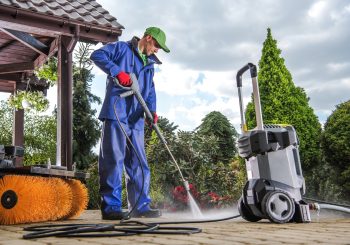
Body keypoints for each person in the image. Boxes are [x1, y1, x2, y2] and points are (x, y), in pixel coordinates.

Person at [90, 27, 170, 220]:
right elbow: (97, 55)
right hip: (117, 112)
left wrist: (152, 111)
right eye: (156, 45)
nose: (157, 50)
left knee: (139, 163)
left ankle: (141, 206)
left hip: (136, 118)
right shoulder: (121, 49)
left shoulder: (149, 64)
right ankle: (111, 208)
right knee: (113, 160)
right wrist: (117, 72)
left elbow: (150, 90)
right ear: (148, 38)